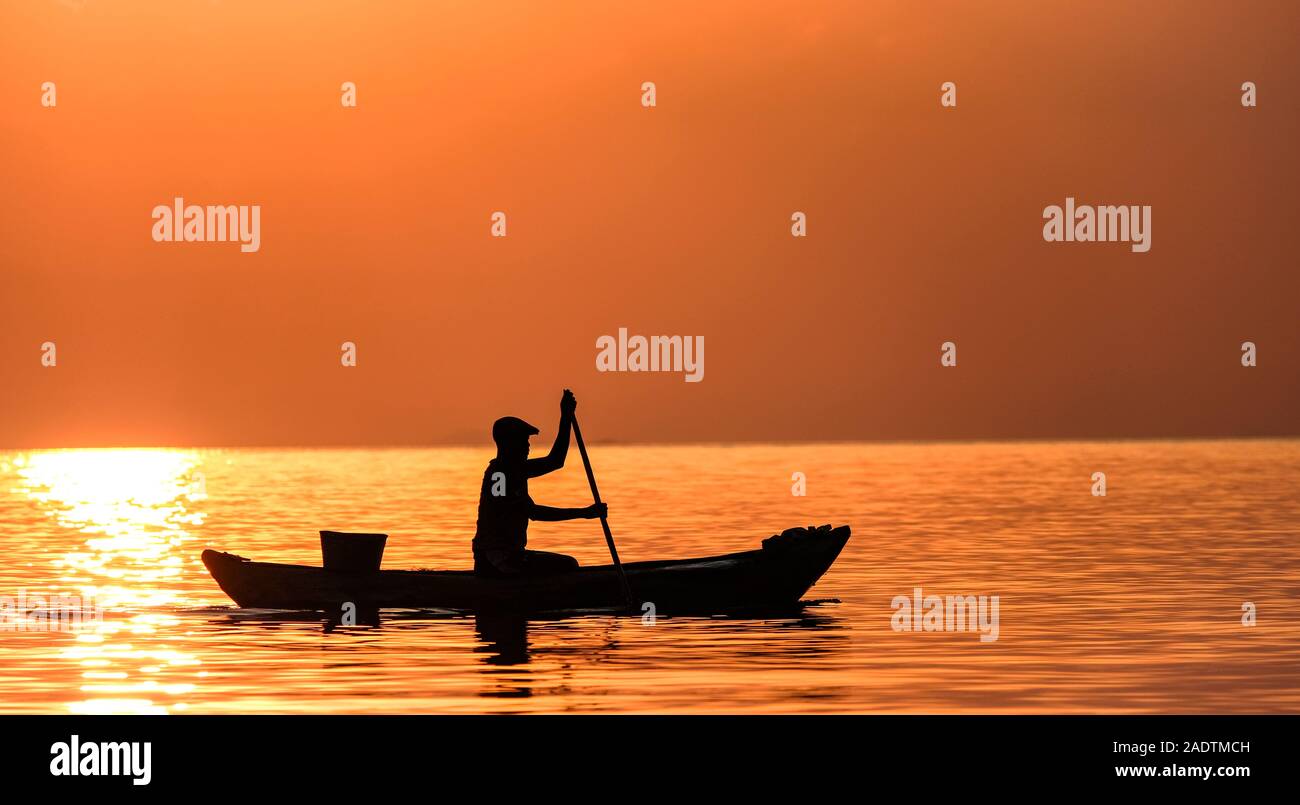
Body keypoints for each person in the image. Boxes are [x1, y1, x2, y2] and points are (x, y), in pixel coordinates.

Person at [472, 389, 605, 577]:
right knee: (568, 565)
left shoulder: (516, 470)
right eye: (522, 440)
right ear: (508, 443)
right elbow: (533, 512)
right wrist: (583, 513)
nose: (528, 446)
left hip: (512, 555)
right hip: (496, 559)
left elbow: (556, 461)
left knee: (567, 564)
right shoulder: (498, 477)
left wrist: (566, 417)